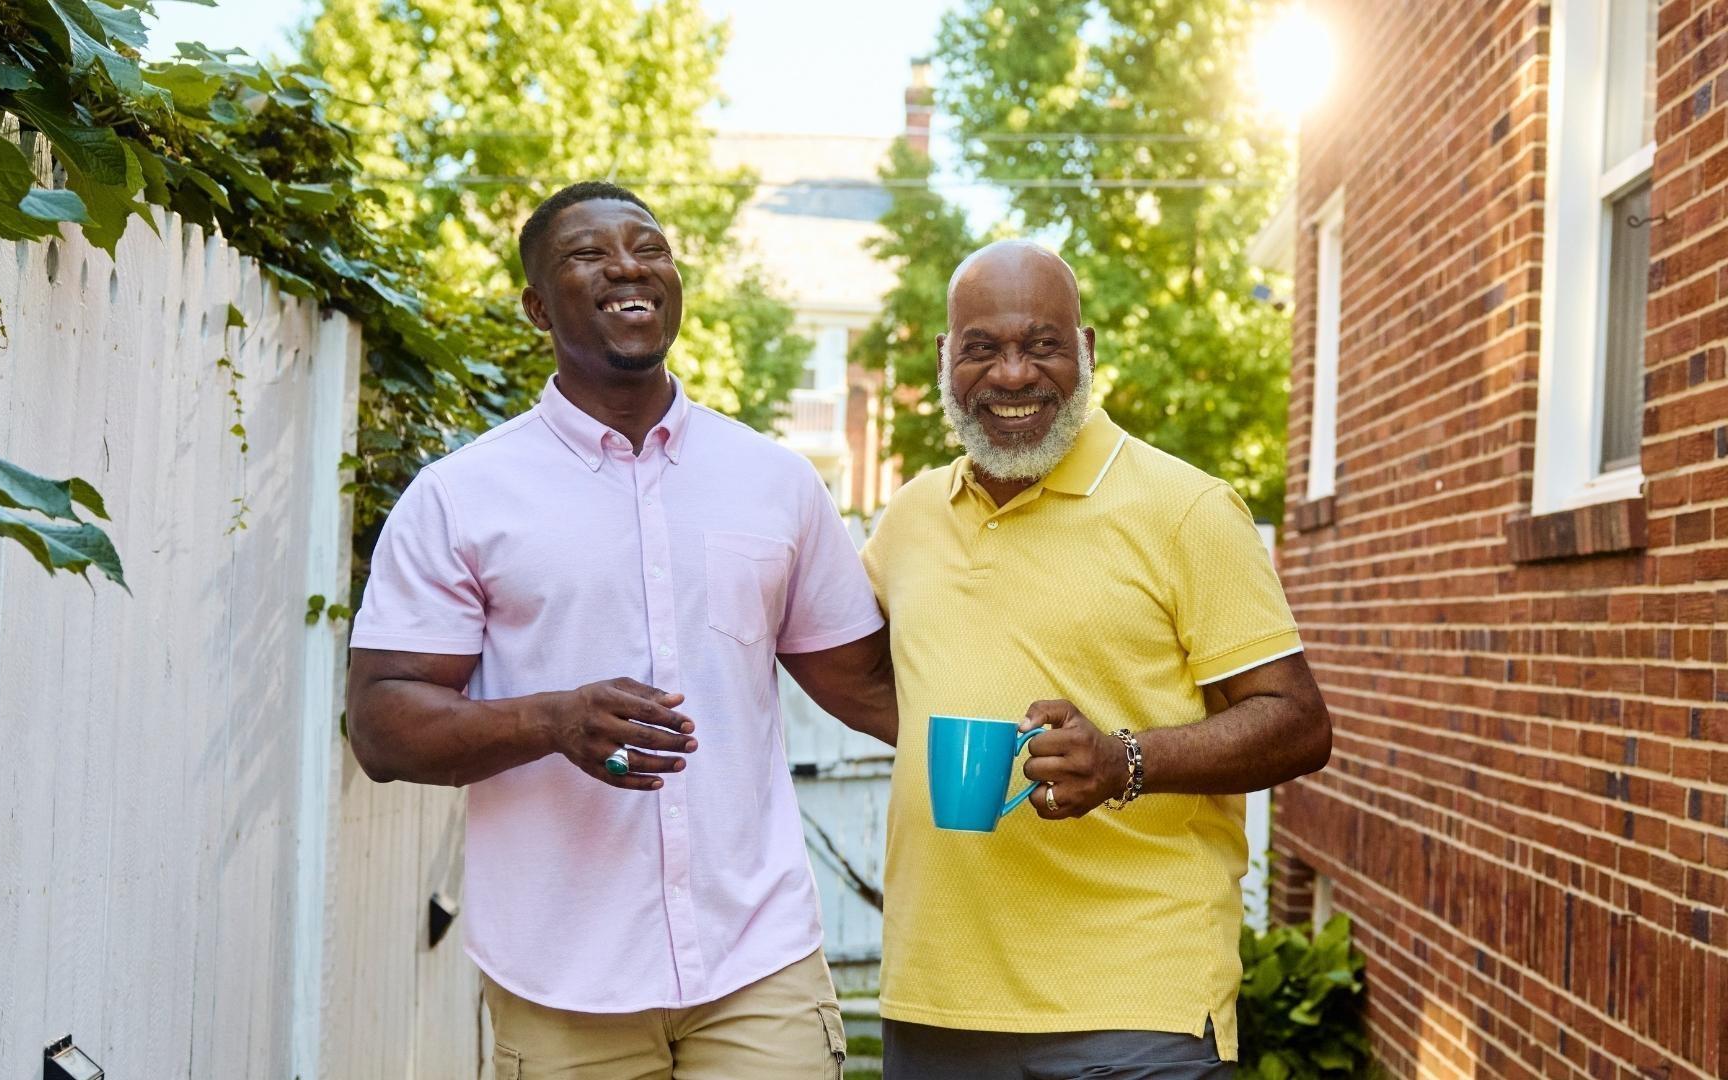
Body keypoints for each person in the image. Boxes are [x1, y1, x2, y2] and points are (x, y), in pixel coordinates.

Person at [346, 181, 895, 1079]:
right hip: (561, 973)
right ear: (537, 307)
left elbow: (870, 686)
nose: (629, 267)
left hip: (757, 961)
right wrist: (551, 720)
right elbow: (380, 724)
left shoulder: (776, 482)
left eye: (650, 249)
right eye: (588, 255)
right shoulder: (460, 497)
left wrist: (1047, 740)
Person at [861, 240, 1333, 1079]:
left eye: (1042, 344)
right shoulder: (911, 516)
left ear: (1085, 351)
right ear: (944, 359)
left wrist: (1124, 761)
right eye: (982, 348)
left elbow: (1297, 724)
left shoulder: (1187, 509)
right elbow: (851, 663)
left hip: (1134, 1005)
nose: (1012, 374)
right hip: (936, 998)